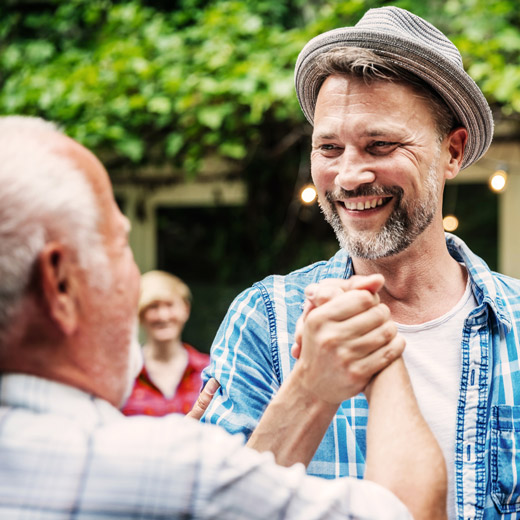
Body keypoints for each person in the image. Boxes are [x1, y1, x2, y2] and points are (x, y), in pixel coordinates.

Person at [0, 115, 447, 519]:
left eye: (381, 144)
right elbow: (408, 512)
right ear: (60, 284)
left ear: (453, 152)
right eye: (120, 246)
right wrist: (372, 337)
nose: (137, 282)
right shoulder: (171, 473)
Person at [200, 6, 520, 520]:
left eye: (381, 145)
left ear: (453, 151)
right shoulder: (265, 318)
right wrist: (308, 390)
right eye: (329, 147)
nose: (348, 176)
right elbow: (210, 511)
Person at [121, 270, 209, 416]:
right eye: (153, 307)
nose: (163, 316)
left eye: (169, 305)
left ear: (185, 309)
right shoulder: (125, 374)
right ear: (140, 314)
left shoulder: (209, 370)